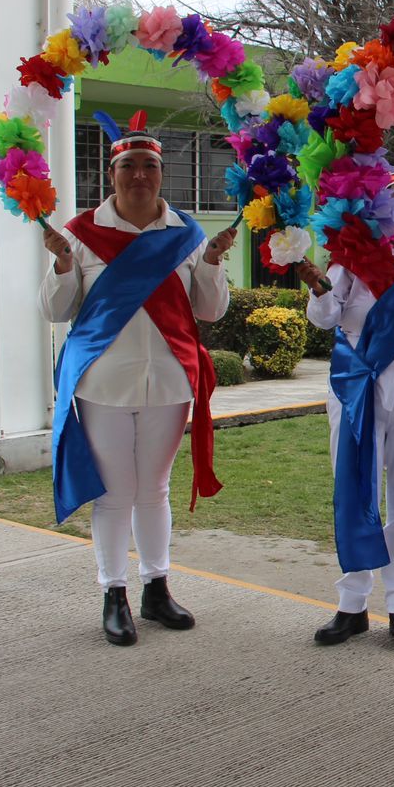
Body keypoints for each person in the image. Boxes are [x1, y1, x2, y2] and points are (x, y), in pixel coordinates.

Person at [40, 110, 236, 647]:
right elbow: (57, 312)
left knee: (154, 489)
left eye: (149, 165)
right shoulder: (80, 235)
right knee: (115, 493)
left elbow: (210, 310)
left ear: (160, 173)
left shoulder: (188, 234)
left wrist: (215, 262)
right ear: (112, 174)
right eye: (129, 166)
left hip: (170, 381)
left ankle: (156, 587)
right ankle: (113, 593)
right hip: (103, 381)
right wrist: (59, 267)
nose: (140, 176)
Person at [298, 154, 394, 651]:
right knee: (354, 493)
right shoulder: (354, 253)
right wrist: (321, 287)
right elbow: (325, 318)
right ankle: (352, 604)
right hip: (356, 391)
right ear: (381, 201)